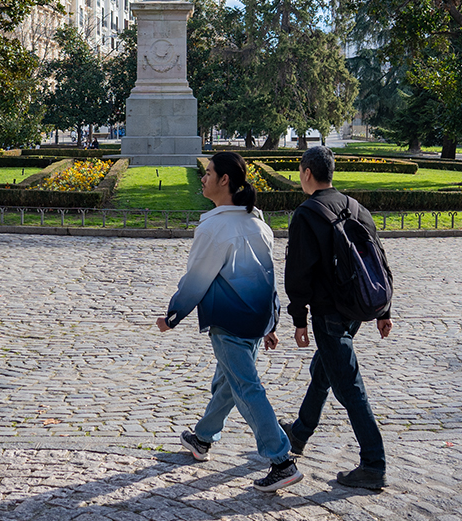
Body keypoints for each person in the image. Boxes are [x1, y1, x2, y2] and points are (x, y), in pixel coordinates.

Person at [159, 151, 301, 493]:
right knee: (229, 381)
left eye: (208, 173)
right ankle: (202, 438)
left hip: (229, 320)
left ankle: (281, 460)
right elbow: (268, 279)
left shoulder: (215, 227)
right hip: (255, 319)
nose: (203, 178)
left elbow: (197, 278)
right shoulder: (259, 224)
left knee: (246, 386)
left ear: (225, 180)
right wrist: (272, 322)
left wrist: (173, 316)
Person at [281, 145, 392, 491]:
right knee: (324, 369)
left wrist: (299, 319)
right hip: (356, 310)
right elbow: (379, 260)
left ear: (307, 173)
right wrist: (384, 311)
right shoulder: (356, 208)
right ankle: (298, 434)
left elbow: (298, 274)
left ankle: (373, 463)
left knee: (349, 386)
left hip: (328, 312)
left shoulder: (307, 213)